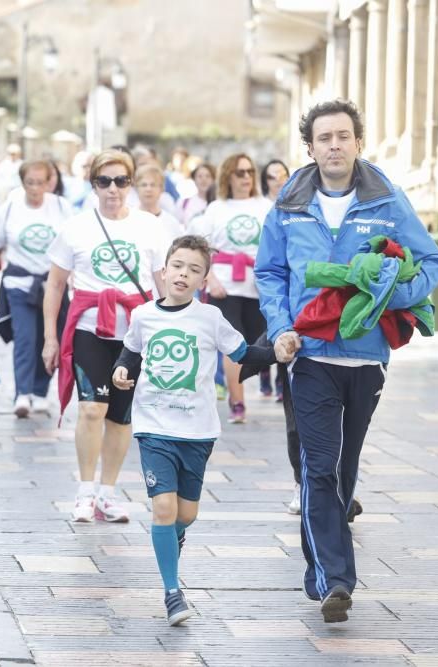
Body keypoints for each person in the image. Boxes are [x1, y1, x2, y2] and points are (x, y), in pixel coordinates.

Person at [256, 98, 438, 623]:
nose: (334, 145)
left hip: (367, 358)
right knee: (318, 467)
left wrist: (391, 294)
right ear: (311, 147)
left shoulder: (385, 198)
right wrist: (281, 328)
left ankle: (325, 566)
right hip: (311, 357)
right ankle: (334, 581)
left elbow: (432, 261)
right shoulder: (290, 205)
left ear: (358, 142)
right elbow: (269, 272)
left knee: (344, 471)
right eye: (324, 138)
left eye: (344, 136)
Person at [112, 235, 275, 625]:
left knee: (186, 513)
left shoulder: (210, 319)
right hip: (153, 426)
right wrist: (121, 369)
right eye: (178, 266)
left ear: (204, 281)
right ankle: (172, 592)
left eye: (194, 270)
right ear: (165, 270)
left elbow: (242, 353)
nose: (184, 274)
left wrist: (278, 353)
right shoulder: (143, 315)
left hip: (198, 430)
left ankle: (174, 536)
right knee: (163, 508)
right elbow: (131, 350)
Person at [42, 149, 168, 523]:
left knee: (120, 416)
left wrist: (166, 331)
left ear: (130, 183)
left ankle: (107, 492)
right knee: (92, 408)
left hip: (134, 333)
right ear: (93, 184)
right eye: (104, 181)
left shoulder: (149, 226)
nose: (113, 189)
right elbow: (54, 286)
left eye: (121, 181)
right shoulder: (76, 227)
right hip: (89, 329)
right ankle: (84, 490)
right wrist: (51, 337)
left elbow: (161, 285)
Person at [0, 160, 70, 416]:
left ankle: (41, 391)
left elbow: (72, 246)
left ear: (49, 182)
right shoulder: (10, 208)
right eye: (29, 183)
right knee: (25, 338)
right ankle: (22, 393)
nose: (35, 188)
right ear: (22, 183)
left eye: (40, 182)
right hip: (19, 283)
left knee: (50, 337)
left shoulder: (61, 208)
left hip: (52, 283)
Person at [197, 153, 272, 424]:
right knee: (234, 345)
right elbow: (202, 248)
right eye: (239, 172)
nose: (246, 177)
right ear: (228, 176)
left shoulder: (266, 206)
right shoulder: (216, 208)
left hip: (257, 286)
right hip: (225, 288)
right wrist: (210, 279)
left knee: (256, 343)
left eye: (250, 171)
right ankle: (237, 401)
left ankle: (257, 387)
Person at [257, 159, 291, 399]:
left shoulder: (296, 204)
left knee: (283, 325)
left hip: (286, 275)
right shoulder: (259, 207)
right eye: (272, 176)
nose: (278, 180)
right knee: (265, 329)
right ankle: (263, 371)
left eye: (282, 175)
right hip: (261, 276)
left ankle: (281, 378)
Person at [135, 164, 184, 242]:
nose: (148, 189)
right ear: (137, 188)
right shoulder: (128, 220)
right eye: (144, 185)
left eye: (153, 185)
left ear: (161, 189)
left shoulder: (172, 223)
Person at [177, 163, 216, 232]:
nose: (204, 179)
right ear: (194, 180)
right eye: (200, 176)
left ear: (213, 180)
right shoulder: (184, 203)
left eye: (208, 176)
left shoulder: (219, 204)